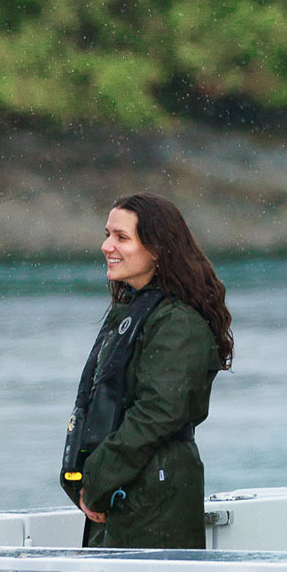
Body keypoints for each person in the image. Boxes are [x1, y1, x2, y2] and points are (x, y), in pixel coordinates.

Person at [60, 193, 232, 548]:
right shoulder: (130, 312)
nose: (107, 246)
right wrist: (80, 478)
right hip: (121, 486)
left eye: (122, 238)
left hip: (157, 489)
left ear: (157, 249)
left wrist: (98, 479)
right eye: (108, 234)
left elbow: (159, 412)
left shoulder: (178, 322)